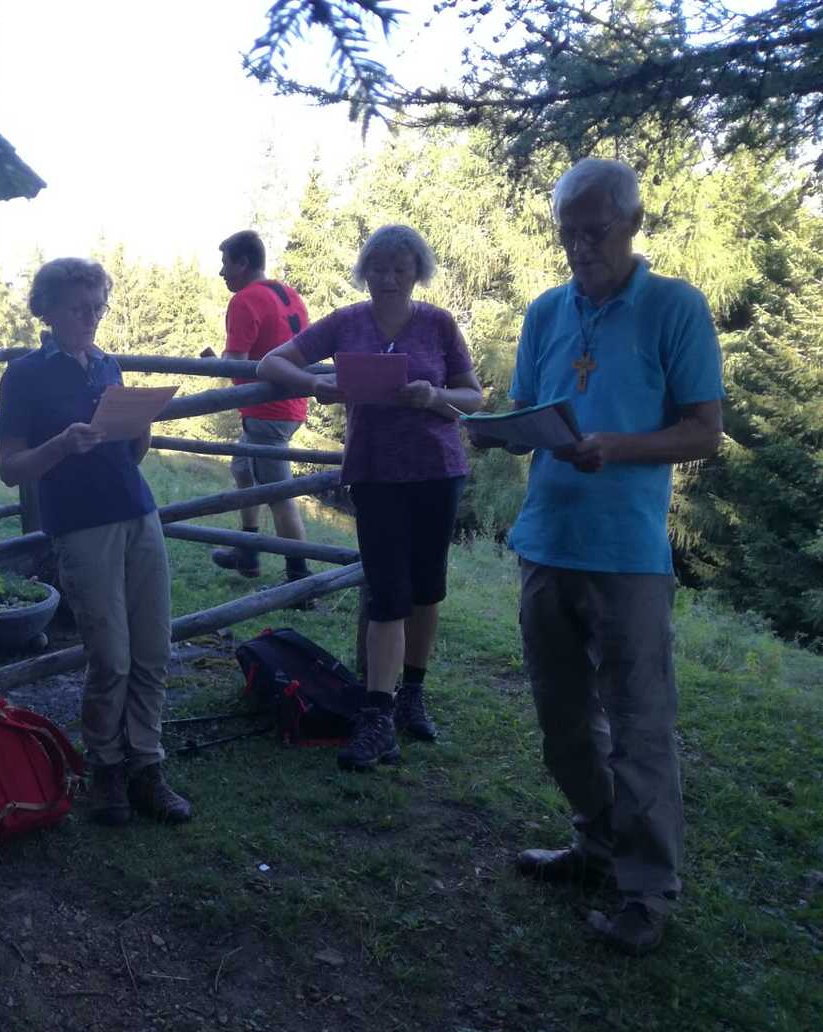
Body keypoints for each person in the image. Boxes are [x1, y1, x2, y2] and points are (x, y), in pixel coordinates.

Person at [487, 158, 723, 955]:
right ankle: (594, 843)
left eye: (596, 231)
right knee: (562, 723)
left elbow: (704, 430)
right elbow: (528, 409)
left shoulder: (674, 307)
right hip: (546, 541)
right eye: (568, 233)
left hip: (627, 555)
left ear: (633, 222)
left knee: (639, 725)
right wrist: (503, 433)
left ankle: (647, 893)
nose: (581, 247)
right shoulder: (546, 311)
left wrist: (616, 446)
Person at [257, 225, 484, 770]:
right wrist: (317, 385)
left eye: (400, 269)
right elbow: (271, 363)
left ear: (417, 272)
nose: (388, 278)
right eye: (378, 268)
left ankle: (412, 695)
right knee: (386, 591)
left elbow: (473, 397)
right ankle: (378, 717)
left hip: (437, 471)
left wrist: (434, 396)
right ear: (365, 271)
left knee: (427, 589)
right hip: (375, 473)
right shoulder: (346, 322)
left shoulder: (438, 323)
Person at [0, 258, 192, 827]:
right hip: (80, 524)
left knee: (153, 649)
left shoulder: (109, 364)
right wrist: (61, 445)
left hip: (138, 511)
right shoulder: (24, 375)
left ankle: (147, 765)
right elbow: (10, 468)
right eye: (79, 308)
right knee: (111, 656)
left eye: (98, 307)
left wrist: (140, 423)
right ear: (48, 309)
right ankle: (105, 767)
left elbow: (133, 452)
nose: (91, 317)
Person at [209, 230, 314, 583]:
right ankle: (248, 552)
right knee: (243, 469)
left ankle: (299, 578)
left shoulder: (245, 300)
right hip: (288, 405)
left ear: (242, 263)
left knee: (279, 494)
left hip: (267, 412)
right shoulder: (287, 294)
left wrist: (215, 364)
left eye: (225, 264)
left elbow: (236, 363)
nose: (221, 272)